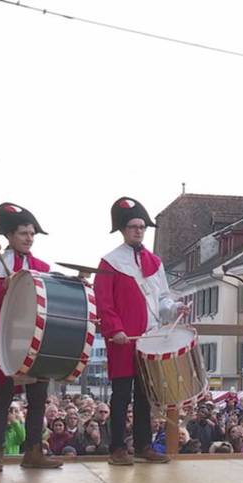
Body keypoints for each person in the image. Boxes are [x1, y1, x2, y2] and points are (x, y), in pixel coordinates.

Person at [94, 197, 189, 466]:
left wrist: (177, 307)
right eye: (133, 226)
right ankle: (117, 449)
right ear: (122, 230)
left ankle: (144, 445)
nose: (138, 231)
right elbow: (105, 304)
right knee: (121, 395)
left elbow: (162, 301)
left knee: (146, 395)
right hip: (123, 339)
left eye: (142, 227)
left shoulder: (154, 262)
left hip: (150, 339)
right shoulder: (110, 262)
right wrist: (116, 330)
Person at [0, 203, 62, 471]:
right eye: (23, 233)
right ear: (8, 236)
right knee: (3, 398)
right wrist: (3, 287)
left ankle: (33, 452)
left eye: (32, 234)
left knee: (38, 398)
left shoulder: (42, 267)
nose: (29, 238)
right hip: (6, 342)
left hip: (37, 341)